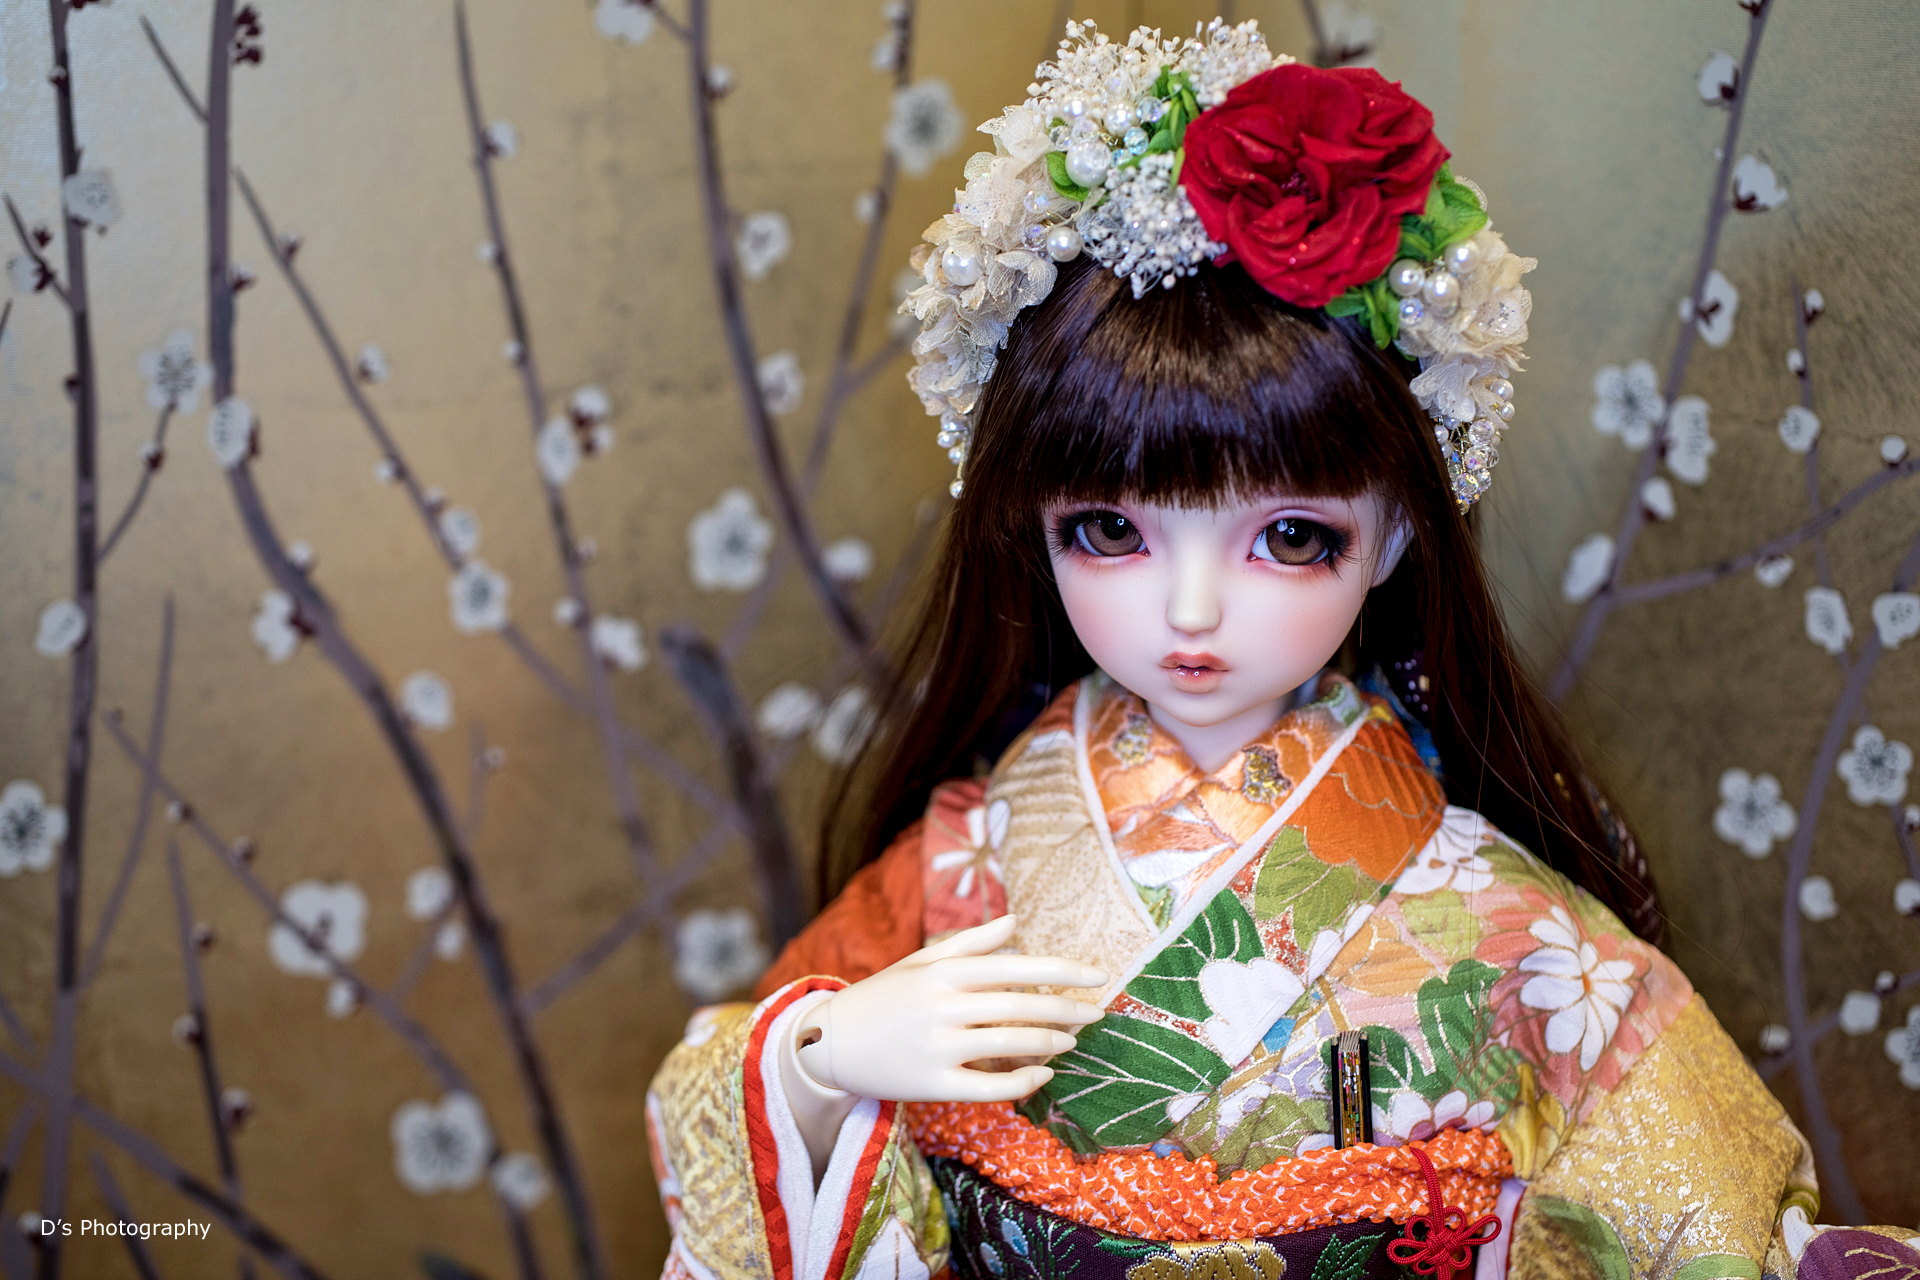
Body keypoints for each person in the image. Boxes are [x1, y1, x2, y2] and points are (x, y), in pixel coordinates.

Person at [646, 19, 1907, 1280]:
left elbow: (1725, 1234)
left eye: (1290, 536)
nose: (1191, 609)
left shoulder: (1517, 936)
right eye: (1111, 529)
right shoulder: (954, 873)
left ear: (1398, 531)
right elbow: (731, 1115)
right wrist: (813, 1063)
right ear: (1031, 524)